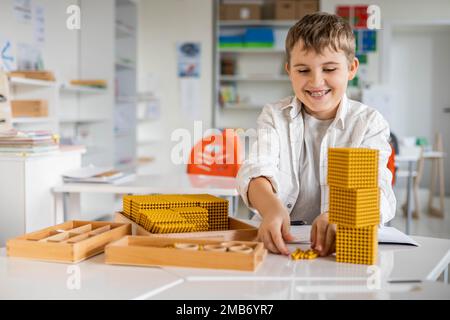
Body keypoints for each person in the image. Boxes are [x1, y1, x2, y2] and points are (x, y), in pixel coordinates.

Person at [236, 12, 396, 256]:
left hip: (341, 249)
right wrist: (271, 209)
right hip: (281, 246)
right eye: (303, 70)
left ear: (351, 68)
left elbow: (379, 191)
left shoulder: (368, 123)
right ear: (289, 70)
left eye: (329, 68)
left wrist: (342, 216)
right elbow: (257, 169)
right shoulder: (274, 115)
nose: (316, 81)